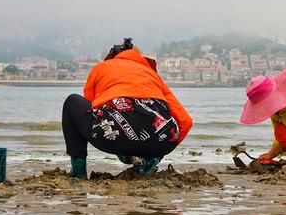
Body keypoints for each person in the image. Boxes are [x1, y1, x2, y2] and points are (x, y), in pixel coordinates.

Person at [62, 38, 192, 178]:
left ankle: (78, 171)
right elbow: (186, 121)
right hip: (161, 143)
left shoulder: (101, 68)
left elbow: (91, 107)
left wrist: (123, 146)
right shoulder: (153, 76)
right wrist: (159, 150)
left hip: (112, 138)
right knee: (140, 121)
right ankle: (152, 160)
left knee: (72, 102)